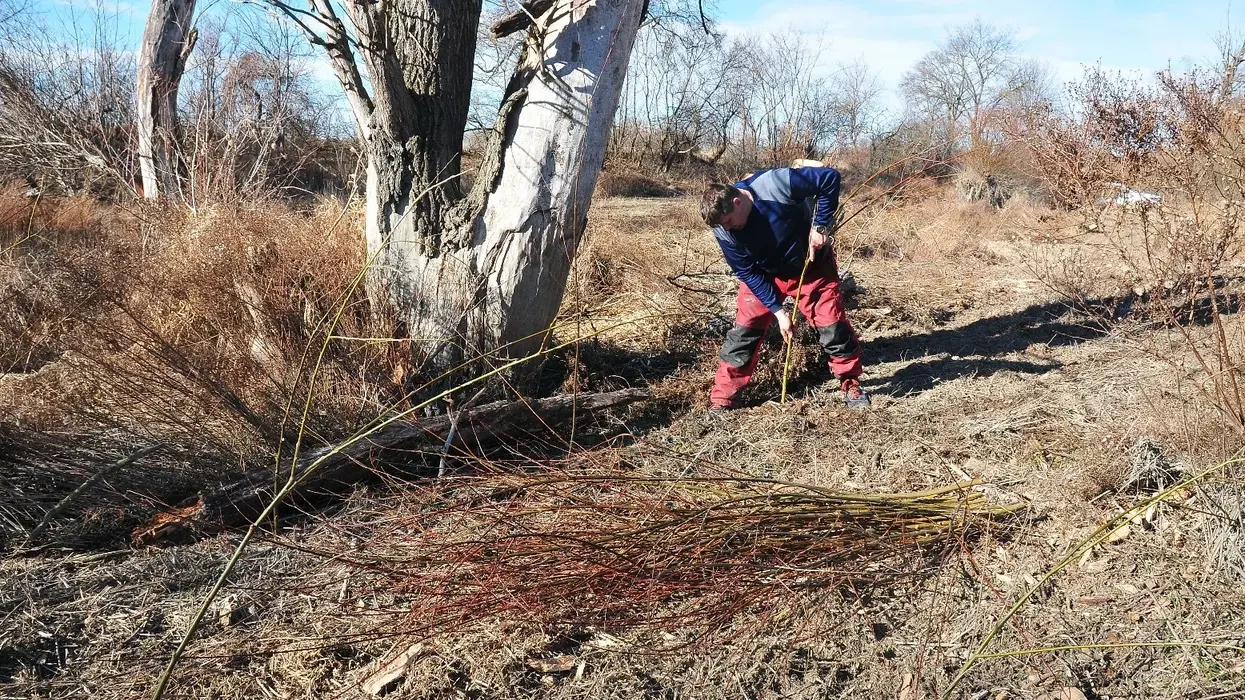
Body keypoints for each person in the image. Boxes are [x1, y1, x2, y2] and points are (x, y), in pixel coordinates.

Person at [699, 165, 869, 411]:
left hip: (810, 268)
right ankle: (722, 400)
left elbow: (829, 178)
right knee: (744, 334)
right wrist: (779, 312)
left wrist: (820, 226)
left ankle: (850, 383)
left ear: (738, 202)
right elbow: (746, 272)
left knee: (832, 326)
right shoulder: (722, 229)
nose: (727, 229)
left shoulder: (775, 184)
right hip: (764, 275)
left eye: (728, 222)